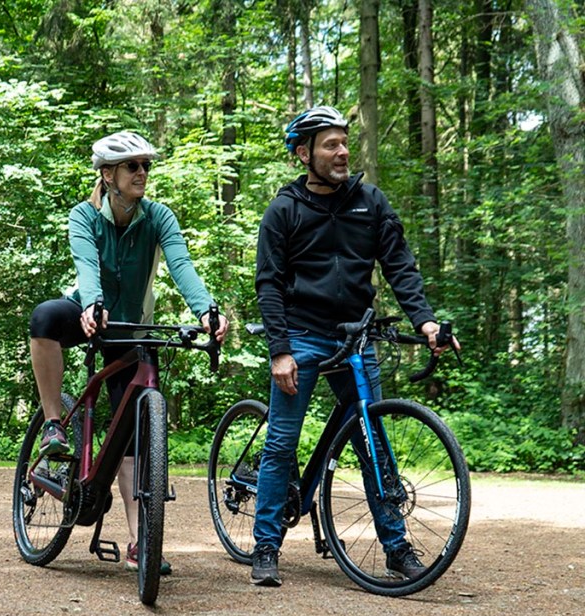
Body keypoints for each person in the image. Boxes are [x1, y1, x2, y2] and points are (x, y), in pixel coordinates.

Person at [250, 105, 459, 587]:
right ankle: (266, 545)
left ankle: (396, 547)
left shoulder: (370, 202)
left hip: (356, 334)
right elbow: (269, 284)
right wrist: (280, 350)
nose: (343, 151)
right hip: (300, 335)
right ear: (304, 153)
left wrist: (425, 323)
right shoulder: (284, 210)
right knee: (282, 440)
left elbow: (400, 266)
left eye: (344, 142)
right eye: (331, 144)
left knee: (373, 440)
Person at [29, 131, 229, 575]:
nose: (142, 173)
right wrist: (92, 304)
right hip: (88, 310)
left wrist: (207, 310)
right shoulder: (84, 215)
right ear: (108, 174)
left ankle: (143, 542)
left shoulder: (158, 217)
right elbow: (86, 263)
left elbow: (181, 265)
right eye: (132, 166)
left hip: (132, 326)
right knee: (43, 319)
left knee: (136, 438)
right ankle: (53, 424)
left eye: (145, 166)